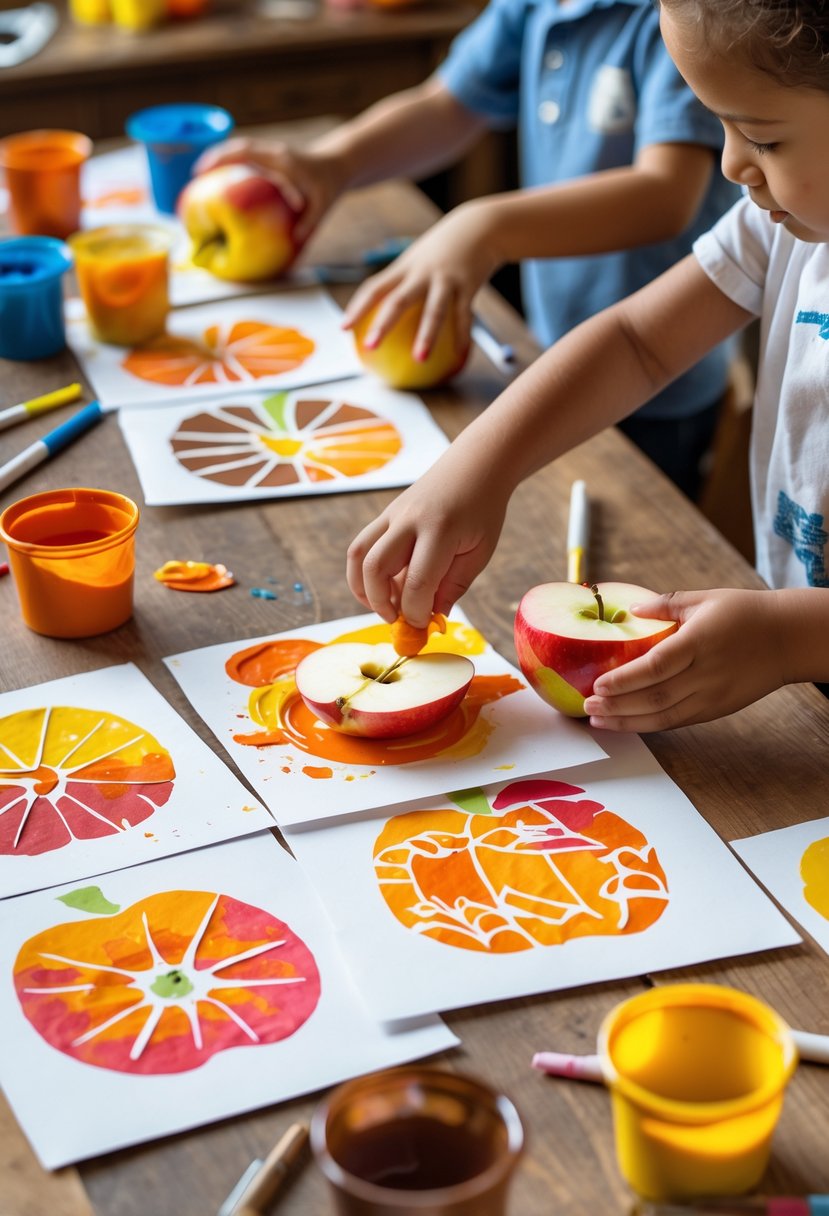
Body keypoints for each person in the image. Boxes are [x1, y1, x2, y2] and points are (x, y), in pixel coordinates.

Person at [346, 0, 829, 733]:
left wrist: (787, 638)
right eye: (719, 126)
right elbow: (639, 340)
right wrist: (478, 467)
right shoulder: (782, 229)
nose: (730, 166)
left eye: (761, 137)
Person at [198, 0, 738, 499]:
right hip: (548, 348)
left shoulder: (682, 14)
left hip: (658, 381)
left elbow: (665, 195)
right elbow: (446, 104)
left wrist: (484, 227)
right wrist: (330, 165)